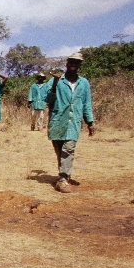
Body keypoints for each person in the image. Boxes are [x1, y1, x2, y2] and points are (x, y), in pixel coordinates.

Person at [46, 52, 94, 193]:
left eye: (77, 62)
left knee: (69, 149)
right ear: (67, 63)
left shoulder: (83, 83)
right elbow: (47, 99)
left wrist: (89, 121)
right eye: (71, 61)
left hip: (73, 122)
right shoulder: (56, 80)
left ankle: (62, 178)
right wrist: (54, 83)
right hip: (57, 121)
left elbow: (86, 103)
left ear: (80, 65)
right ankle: (64, 174)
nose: (74, 64)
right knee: (60, 150)